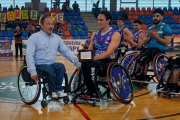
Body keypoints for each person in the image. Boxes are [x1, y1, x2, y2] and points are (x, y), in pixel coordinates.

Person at [26, 16, 81, 98]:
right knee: (50, 70)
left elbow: (66, 51)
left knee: (61, 67)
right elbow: (29, 55)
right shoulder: (34, 38)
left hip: (51, 64)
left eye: (52, 24)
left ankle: (58, 90)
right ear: (42, 25)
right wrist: (32, 72)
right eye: (48, 24)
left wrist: (77, 63)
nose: (51, 26)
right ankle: (52, 90)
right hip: (39, 64)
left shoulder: (57, 38)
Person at [81, 10, 121, 97]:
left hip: (108, 62)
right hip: (96, 61)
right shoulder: (95, 34)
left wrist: (93, 58)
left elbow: (108, 53)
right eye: (98, 20)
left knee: (91, 65)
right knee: (84, 64)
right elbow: (90, 50)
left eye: (101, 20)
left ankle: (94, 91)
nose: (98, 22)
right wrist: (83, 57)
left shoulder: (115, 34)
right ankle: (90, 89)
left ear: (108, 21)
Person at [138, 8, 172, 77]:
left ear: (162, 17)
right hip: (149, 49)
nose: (155, 18)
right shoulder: (150, 28)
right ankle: (143, 76)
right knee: (141, 59)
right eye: (154, 16)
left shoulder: (166, 27)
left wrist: (156, 36)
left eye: (157, 16)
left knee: (147, 57)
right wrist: (150, 36)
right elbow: (144, 42)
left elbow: (167, 43)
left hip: (159, 50)